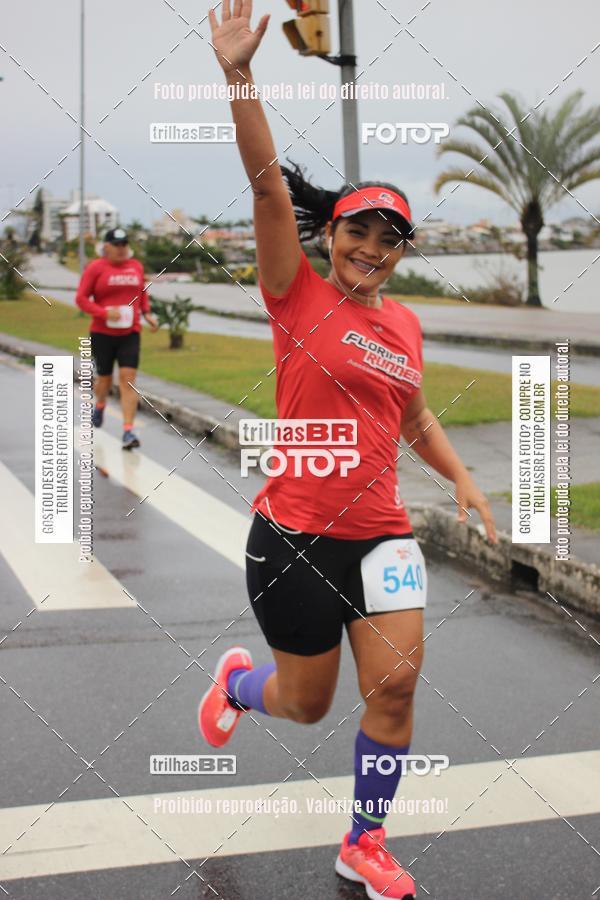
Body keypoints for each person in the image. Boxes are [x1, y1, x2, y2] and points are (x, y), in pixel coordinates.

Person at [199, 4, 497, 898]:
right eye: (358, 230)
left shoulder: (403, 324)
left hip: (384, 537)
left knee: (397, 693)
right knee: (306, 704)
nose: (371, 247)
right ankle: (240, 688)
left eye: (389, 237)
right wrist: (239, 75)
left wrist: (461, 475)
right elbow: (263, 190)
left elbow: (413, 419)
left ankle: (363, 841)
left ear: (402, 253)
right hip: (293, 537)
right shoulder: (294, 293)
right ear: (332, 235)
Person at [75, 227, 158, 449]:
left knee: (128, 380)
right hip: (102, 333)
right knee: (104, 379)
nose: (121, 249)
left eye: (124, 245)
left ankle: (128, 432)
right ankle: (100, 404)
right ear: (106, 247)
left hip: (130, 332)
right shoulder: (96, 268)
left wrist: (147, 314)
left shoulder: (136, 267)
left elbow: (142, 292)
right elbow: (81, 299)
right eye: (116, 245)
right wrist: (104, 313)